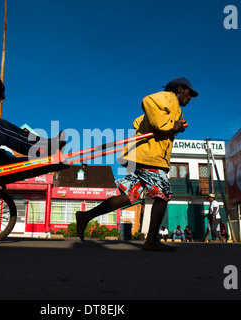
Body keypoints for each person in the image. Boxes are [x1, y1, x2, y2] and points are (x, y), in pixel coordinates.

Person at [75, 77, 198, 251]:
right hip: (150, 158)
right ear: (180, 88)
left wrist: (173, 126)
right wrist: (170, 125)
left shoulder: (172, 109)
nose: (190, 97)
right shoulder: (168, 98)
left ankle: (85, 216)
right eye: (189, 92)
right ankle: (152, 241)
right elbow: (147, 100)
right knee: (162, 195)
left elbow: (138, 122)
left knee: (129, 197)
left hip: (141, 157)